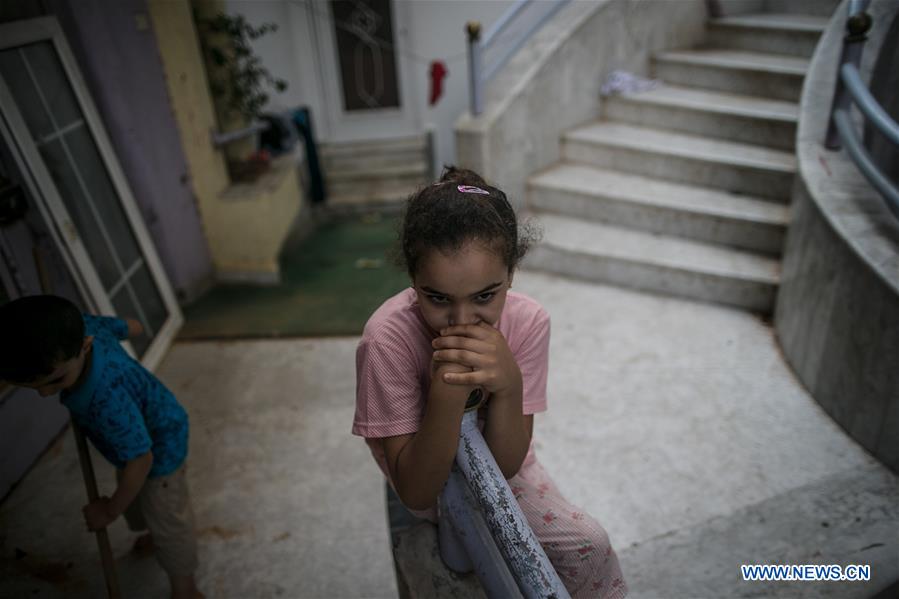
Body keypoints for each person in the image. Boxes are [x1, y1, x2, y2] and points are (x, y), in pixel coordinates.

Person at [352, 167, 627, 598]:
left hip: (502, 466)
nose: (462, 322)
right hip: (429, 483)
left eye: (485, 296)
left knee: (589, 546)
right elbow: (417, 490)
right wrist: (444, 398)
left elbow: (511, 463)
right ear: (413, 280)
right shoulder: (387, 340)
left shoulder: (528, 322)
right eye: (438, 298)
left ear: (511, 275)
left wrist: (509, 385)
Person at [0, 295, 203, 599]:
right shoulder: (82, 326)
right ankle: (153, 531)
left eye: (55, 380)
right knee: (136, 494)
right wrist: (133, 327)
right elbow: (129, 326)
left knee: (167, 514)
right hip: (135, 437)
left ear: (85, 344)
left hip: (160, 446)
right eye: (33, 387)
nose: (44, 394)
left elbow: (141, 460)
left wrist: (108, 510)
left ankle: (185, 589)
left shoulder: (106, 402)